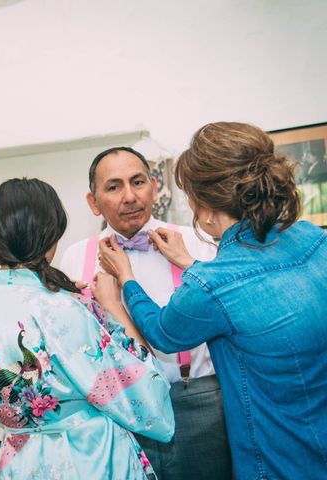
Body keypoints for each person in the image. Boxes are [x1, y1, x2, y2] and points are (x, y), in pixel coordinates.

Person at [98, 122, 327, 479]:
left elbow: (162, 332)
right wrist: (191, 264)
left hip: (278, 456)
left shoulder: (213, 283)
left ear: (204, 205)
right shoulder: (312, 239)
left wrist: (125, 279)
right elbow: (249, 292)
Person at [0, 178, 174, 479]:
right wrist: (108, 310)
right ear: (52, 233)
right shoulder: (62, 308)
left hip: (21, 458)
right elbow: (137, 390)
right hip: (86, 455)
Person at [60, 146, 232, 480]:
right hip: (117, 411)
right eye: (113, 187)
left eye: (137, 182)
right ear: (93, 202)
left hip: (195, 403)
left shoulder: (196, 243)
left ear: (154, 187)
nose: (129, 196)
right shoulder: (74, 257)